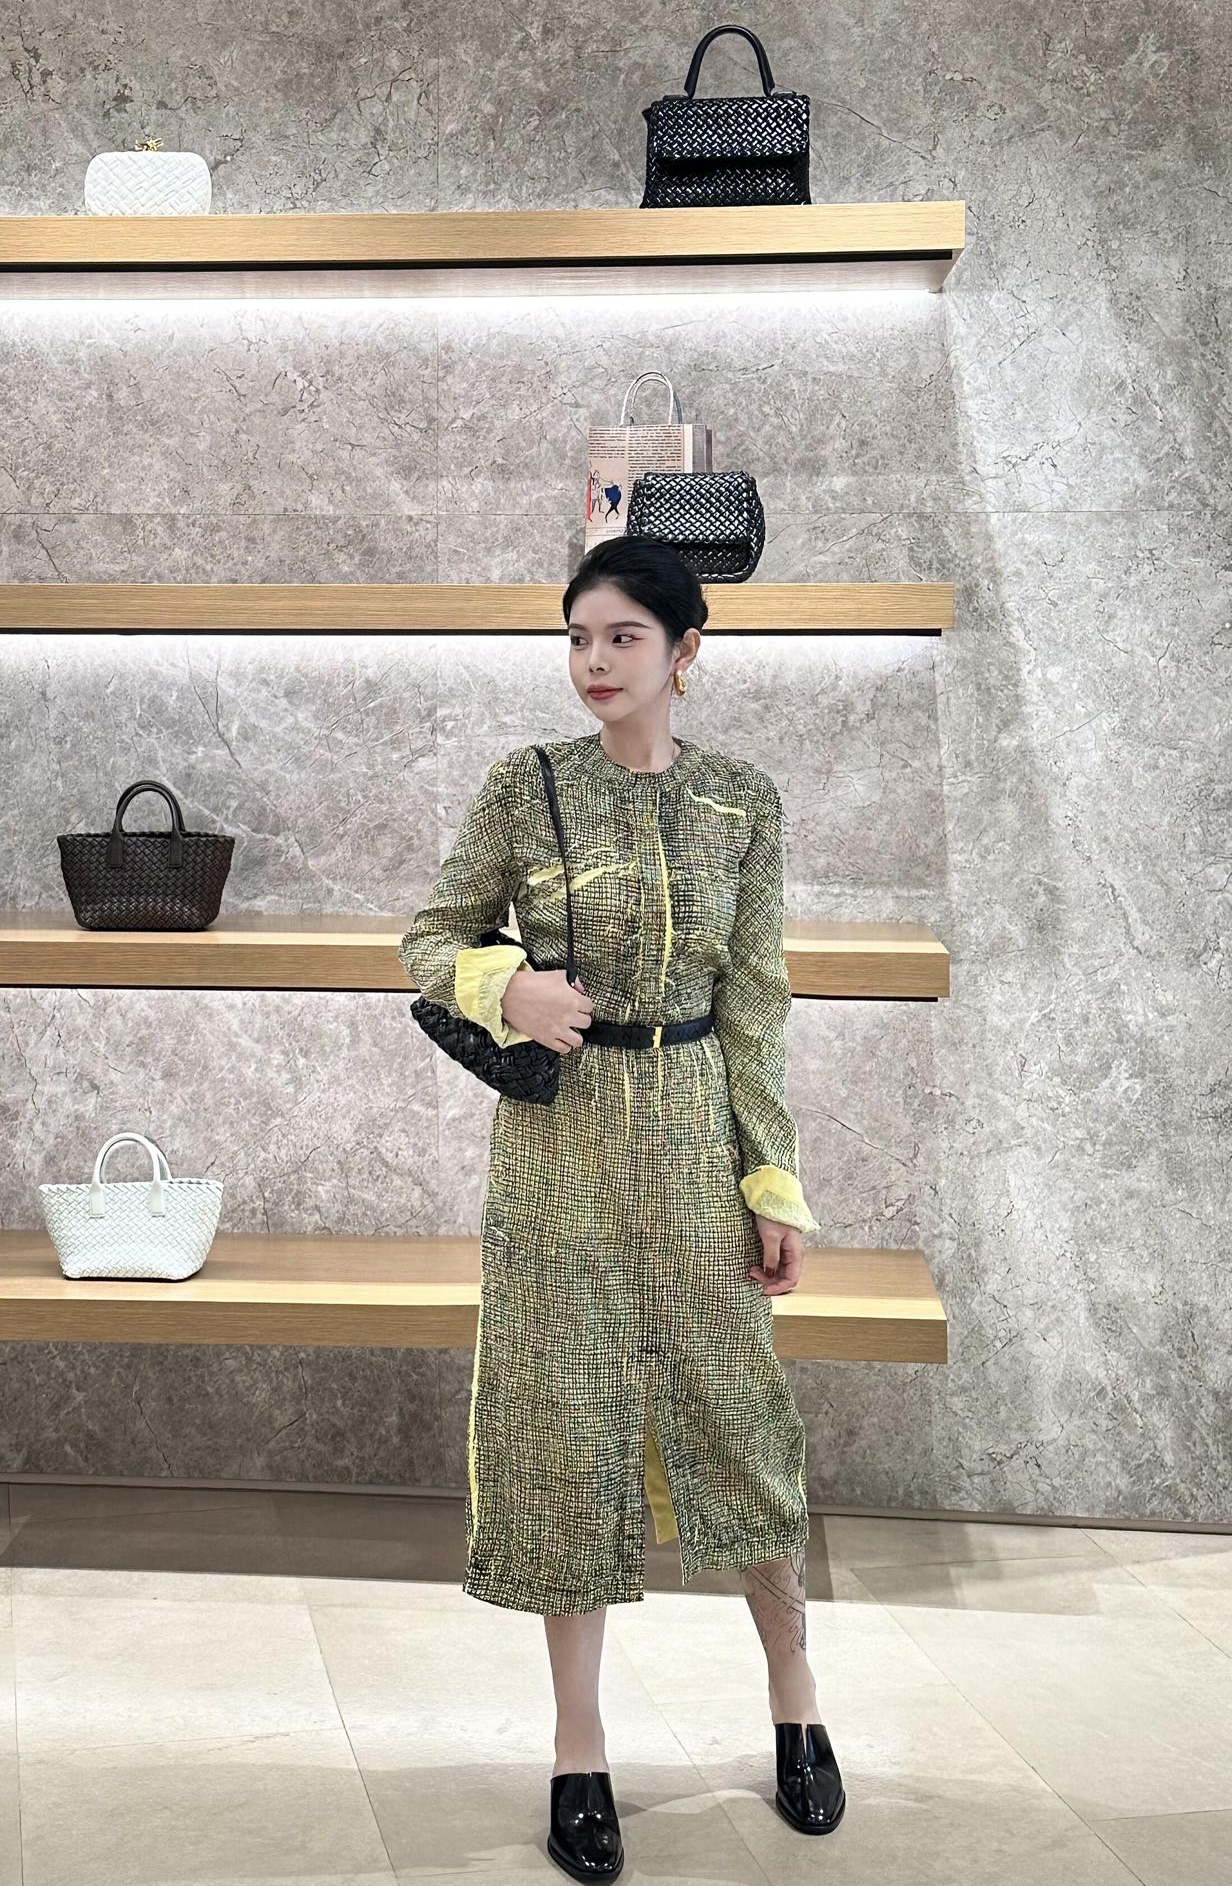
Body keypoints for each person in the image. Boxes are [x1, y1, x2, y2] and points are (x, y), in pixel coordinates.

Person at [398, 536, 845, 1877]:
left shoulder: (743, 802)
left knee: (741, 1421)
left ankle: (797, 1706)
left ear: (685, 650)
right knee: (566, 1432)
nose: (593, 662)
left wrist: (773, 1180)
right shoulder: (524, 786)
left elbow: (756, 1005)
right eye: (578, 637)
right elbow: (428, 938)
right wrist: (507, 986)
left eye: (622, 638)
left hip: (699, 1133)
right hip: (562, 1155)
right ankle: (577, 1747)